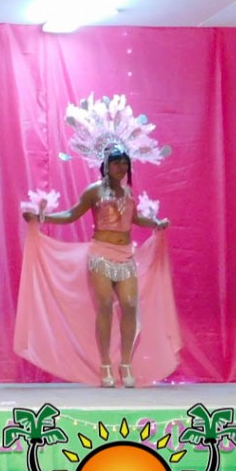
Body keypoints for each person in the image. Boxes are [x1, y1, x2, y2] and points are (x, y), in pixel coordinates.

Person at [23, 145, 169, 388]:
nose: (122, 167)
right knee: (105, 306)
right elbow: (71, 214)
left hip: (126, 254)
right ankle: (105, 364)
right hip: (101, 253)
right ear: (106, 165)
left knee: (130, 305)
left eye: (125, 163)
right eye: (117, 162)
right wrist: (41, 218)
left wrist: (156, 223)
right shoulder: (94, 191)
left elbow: (135, 219)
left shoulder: (128, 192)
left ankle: (126, 363)